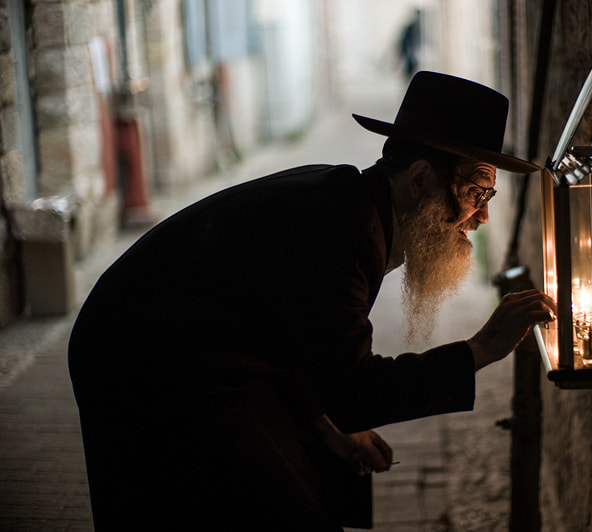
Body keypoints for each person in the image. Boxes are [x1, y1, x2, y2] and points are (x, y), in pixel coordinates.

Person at [68, 71, 556, 531]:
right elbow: (353, 389)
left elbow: (300, 341)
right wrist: (480, 349)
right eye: (477, 191)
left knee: (303, 473)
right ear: (422, 179)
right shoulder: (344, 229)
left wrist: (328, 425)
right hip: (145, 362)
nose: (483, 217)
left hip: (196, 353)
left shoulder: (353, 201)